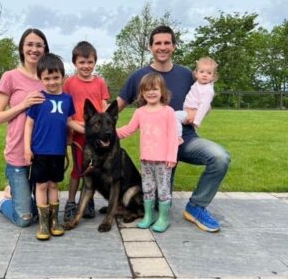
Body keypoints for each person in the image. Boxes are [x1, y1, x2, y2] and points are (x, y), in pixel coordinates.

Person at [117, 25, 230, 233]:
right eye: (157, 43)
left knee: (220, 157)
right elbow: (116, 106)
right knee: (158, 199)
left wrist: (196, 115)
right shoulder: (139, 76)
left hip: (185, 139)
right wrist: (96, 123)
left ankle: (196, 207)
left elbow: (205, 101)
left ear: (174, 46)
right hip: (156, 148)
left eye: (167, 43)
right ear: (150, 47)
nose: (162, 47)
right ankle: (156, 211)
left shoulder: (187, 74)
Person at [0, 28, 49, 228]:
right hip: (18, 153)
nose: (34, 49)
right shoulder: (10, 77)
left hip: (42, 153)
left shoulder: (50, 78)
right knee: (25, 218)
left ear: (45, 49)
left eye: (39, 45)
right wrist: (23, 104)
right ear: (22, 48)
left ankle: (14, 190)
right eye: (30, 44)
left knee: (43, 211)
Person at [24, 53, 84, 240]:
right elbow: (29, 124)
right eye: (47, 78)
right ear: (40, 79)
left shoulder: (67, 100)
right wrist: (27, 148)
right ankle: (43, 225)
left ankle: (54, 221)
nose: (51, 82)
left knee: (54, 184)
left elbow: (69, 122)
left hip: (58, 151)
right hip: (40, 151)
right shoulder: (38, 99)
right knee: (41, 185)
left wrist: (87, 129)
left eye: (55, 77)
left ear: (63, 77)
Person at [116, 73, 178, 232]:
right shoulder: (140, 112)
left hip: (164, 160)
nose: (151, 92)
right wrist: (110, 132)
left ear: (162, 91)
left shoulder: (168, 111)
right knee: (148, 189)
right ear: (142, 93)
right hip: (146, 160)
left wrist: (172, 156)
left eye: (155, 89)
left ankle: (164, 218)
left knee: (163, 190)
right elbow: (129, 129)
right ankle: (148, 216)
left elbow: (173, 136)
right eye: (147, 90)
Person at [62, 41, 110, 223]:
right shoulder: (69, 83)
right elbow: (67, 110)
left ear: (95, 62)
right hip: (79, 134)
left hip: (97, 136)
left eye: (90, 62)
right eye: (82, 62)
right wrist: (70, 131)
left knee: (94, 169)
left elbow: (104, 105)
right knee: (78, 169)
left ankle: (88, 200)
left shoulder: (100, 82)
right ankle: (72, 202)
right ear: (75, 63)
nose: (86, 66)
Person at [175, 57, 218, 140]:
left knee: (175, 116)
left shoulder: (208, 90)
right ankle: (195, 137)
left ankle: (178, 137)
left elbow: (204, 106)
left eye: (209, 73)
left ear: (213, 76)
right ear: (196, 73)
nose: (205, 75)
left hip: (193, 112)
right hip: (187, 110)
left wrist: (197, 121)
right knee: (192, 132)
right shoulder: (198, 84)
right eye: (202, 72)